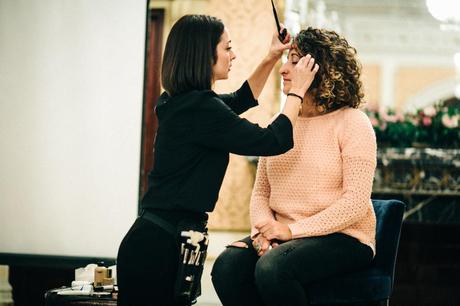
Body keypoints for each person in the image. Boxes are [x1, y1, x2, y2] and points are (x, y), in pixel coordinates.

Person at [116, 14, 319, 306]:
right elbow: (273, 140)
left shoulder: (182, 101)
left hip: (163, 237)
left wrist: (272, 57)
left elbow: (240, 99)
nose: (233, 54)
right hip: (157, 246)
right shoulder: (200, 109)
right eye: (227, 48)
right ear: (204, 54)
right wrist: (298, 91)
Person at [211, 27, 377, 306]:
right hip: (283, 237)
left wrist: (290, 232)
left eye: (295, 60)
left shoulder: (353, 123)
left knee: (273, 268)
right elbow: (261, 192)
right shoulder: (284, 121)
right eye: (286, 59)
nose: (283, 69)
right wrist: (262, 233)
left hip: (344, 237)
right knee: (226, 267)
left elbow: (356, 203)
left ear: (319, 68)